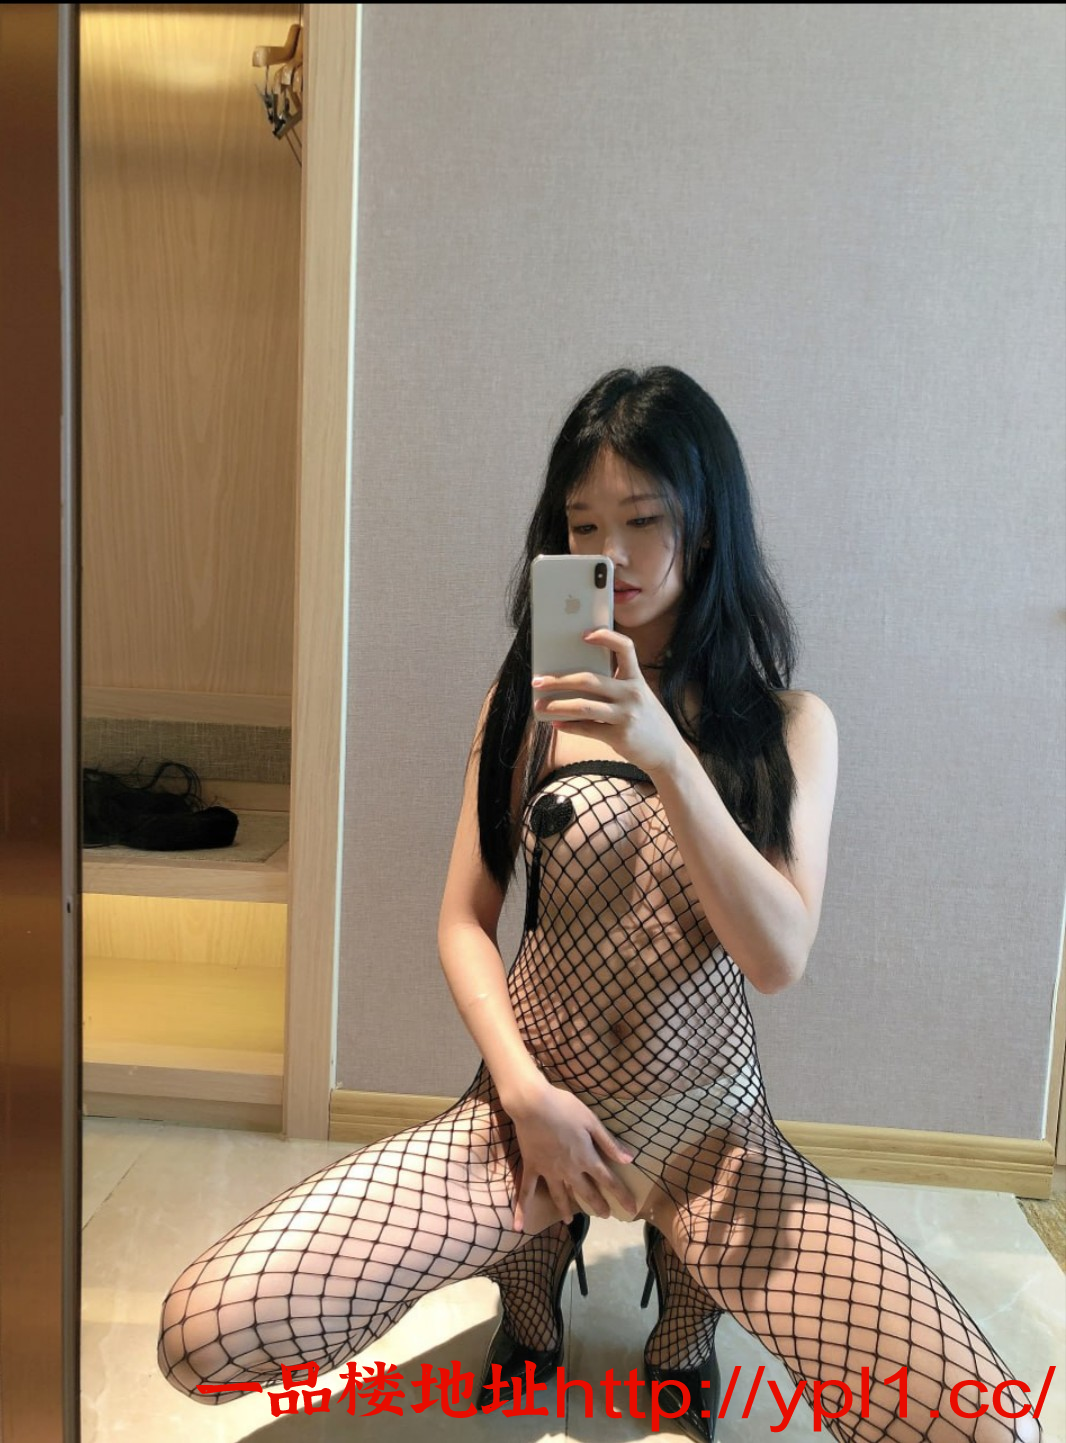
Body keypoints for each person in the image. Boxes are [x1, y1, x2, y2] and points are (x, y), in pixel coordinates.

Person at [158, 367, 1042, 1443]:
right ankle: (531, 1283)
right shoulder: (527, 702)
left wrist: (667, 754)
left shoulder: (788, 726)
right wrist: (523, 1093)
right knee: (203, 1335)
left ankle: (687, 1310)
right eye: (583, 525)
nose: (609, 554)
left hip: (710, 1139)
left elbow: (777, 957)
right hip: (529, 1116)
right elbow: (462, 920)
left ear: (707, 525)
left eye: (643, 520)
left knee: (983, 1428)